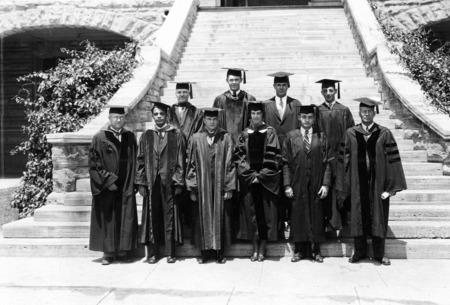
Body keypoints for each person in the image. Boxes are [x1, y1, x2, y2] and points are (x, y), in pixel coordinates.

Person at [336, 98, 407, 266]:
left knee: (378, 216)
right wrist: (344, 184)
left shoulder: (384, 133)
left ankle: (379, 254)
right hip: (357, 183)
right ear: (359, 113)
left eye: (369, 111)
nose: (366, 114)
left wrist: (389, 188)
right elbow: (343, 161)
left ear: (374, 113)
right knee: (358, 216)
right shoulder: (351, 133)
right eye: (363, 111)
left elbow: (393, 161)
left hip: (378, 184)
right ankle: (359, 252)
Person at [135, 102, 186, 264]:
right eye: (156, 114)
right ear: (152, 116)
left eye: (161, 114)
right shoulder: (146, 135)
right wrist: (141, 183)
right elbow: (140, 160)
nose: (158, 117)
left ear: (167, 116)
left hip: (169, 182)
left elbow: (181, 160)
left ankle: (171, 252)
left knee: (169, 215)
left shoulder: (176, 134)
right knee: (152, 216)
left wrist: (178, 182)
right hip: (152, 182)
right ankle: (152, 253)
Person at [282, 105, 332, 263]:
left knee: (317, 215)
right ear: (299, 118)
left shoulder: (322, 137)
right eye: (304, 117)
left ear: (314, 119)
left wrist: (326, 184)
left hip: (317, 182)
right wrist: (287, 184)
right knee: (298, 215)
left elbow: (328, 163)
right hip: (297, 183)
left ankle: (315, 251)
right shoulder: (291, 136)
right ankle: (299, 251)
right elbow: (285, 163)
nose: (307, 120)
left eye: (310, 117)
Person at [88, 107, 138, 265]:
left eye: (121, 117)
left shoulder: (129, 136)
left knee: (125, 217)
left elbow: (136, 160)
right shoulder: (99, 138)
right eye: (115, 117)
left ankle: (123, 252)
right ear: (109, 118)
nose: (118, 120)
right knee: (108, 218)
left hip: (126, 184)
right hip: (108, 187)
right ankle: (108, 253)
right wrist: (108, 182)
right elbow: (94, 164)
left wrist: (134, 181)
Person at [186, 108, 236, 264]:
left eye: (214, 119)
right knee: (202, 218)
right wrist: (193, 187)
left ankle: (220, 252)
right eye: (209, 119)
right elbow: (191, 164)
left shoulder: (226, 138)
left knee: (220, 217)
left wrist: (228, 186)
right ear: (204, 121)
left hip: (220, 185)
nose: (212, 122)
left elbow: (230, 163)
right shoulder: (196, 138)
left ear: (218, 120)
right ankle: (204, 252)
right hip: (202, 186)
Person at [235, 101, 282, 262]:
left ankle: (262, 248)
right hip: (250, 183)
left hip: (265, 183)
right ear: (249, 115)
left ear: (262, 115)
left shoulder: (270, 132)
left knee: (264, 216)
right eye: (253, 114)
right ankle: (254, 248)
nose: (255, 116)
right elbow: (239, 158)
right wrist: (250, 176)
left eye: (258, 114)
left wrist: (260, 176)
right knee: (251, 215)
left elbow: (274, 156)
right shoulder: (243, 134)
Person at [263, 72, 302, 238]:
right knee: (275, 193)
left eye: (283, 85)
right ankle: (277, 229)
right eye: (278, 85)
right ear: (274, 86)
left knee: (292, 191)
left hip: (292, 154)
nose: (281, 87)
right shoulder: (266, 105)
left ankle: (294, 229)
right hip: (272, 154)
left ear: (288, 86)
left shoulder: (296, 104)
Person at [315, 79, 355, 230]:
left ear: (335, 92)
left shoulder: (344, 110)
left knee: (341, 187)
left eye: (331, 90)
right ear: (322, 93)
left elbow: (351, 133)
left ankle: (342, 222)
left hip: (340, 157)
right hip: (324, 157)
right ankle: (328, 224)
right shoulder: (318, 111)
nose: (328, 94)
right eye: (325, 91)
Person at [169, 81, 204, 228]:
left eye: (184, 92)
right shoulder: (168, 111)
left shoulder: (197, 112)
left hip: (190, 155)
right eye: (179, 92)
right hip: (172, 157)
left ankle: (190, 225)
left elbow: (199, 133)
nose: (182, 94)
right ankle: (178, 225)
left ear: (189, 93)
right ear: (175, 93)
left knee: (190, 189)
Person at [213, 67, 257, 142]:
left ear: (241, 80)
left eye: (236, 79)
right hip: (224, 143)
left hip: (244, 143)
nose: (234, 82)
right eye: (231, 80)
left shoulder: (249, 99)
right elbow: (215, 123)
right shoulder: (220, 100)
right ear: (227, 81)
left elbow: (254, 123)